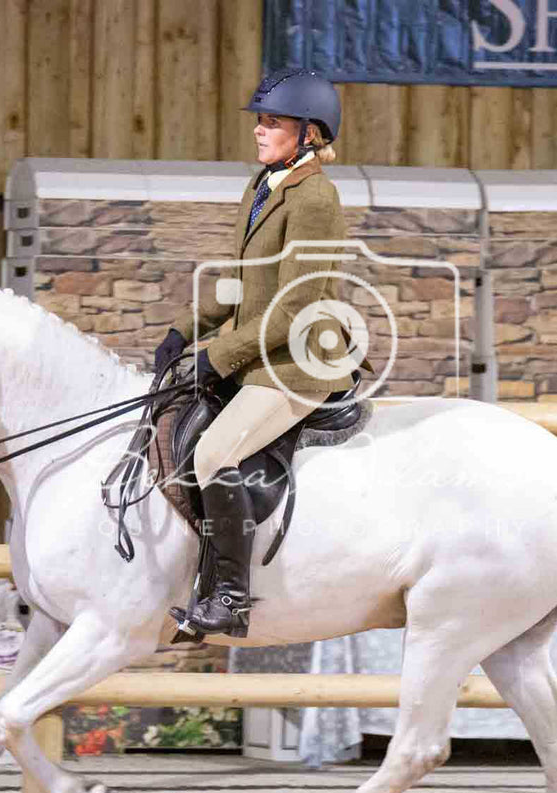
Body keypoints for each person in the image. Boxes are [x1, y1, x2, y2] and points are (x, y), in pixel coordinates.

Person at [153, 67, 362, 638]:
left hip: (299, 363)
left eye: (273, 121)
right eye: (261, 121)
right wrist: (184, 329)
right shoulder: (262, 185)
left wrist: (216, 358)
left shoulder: (316, 198)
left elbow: (295, 308)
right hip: (257, 354)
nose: (260, 130)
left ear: (310, 132)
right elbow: (238, 282)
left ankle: (230, 596)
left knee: (213, 453)